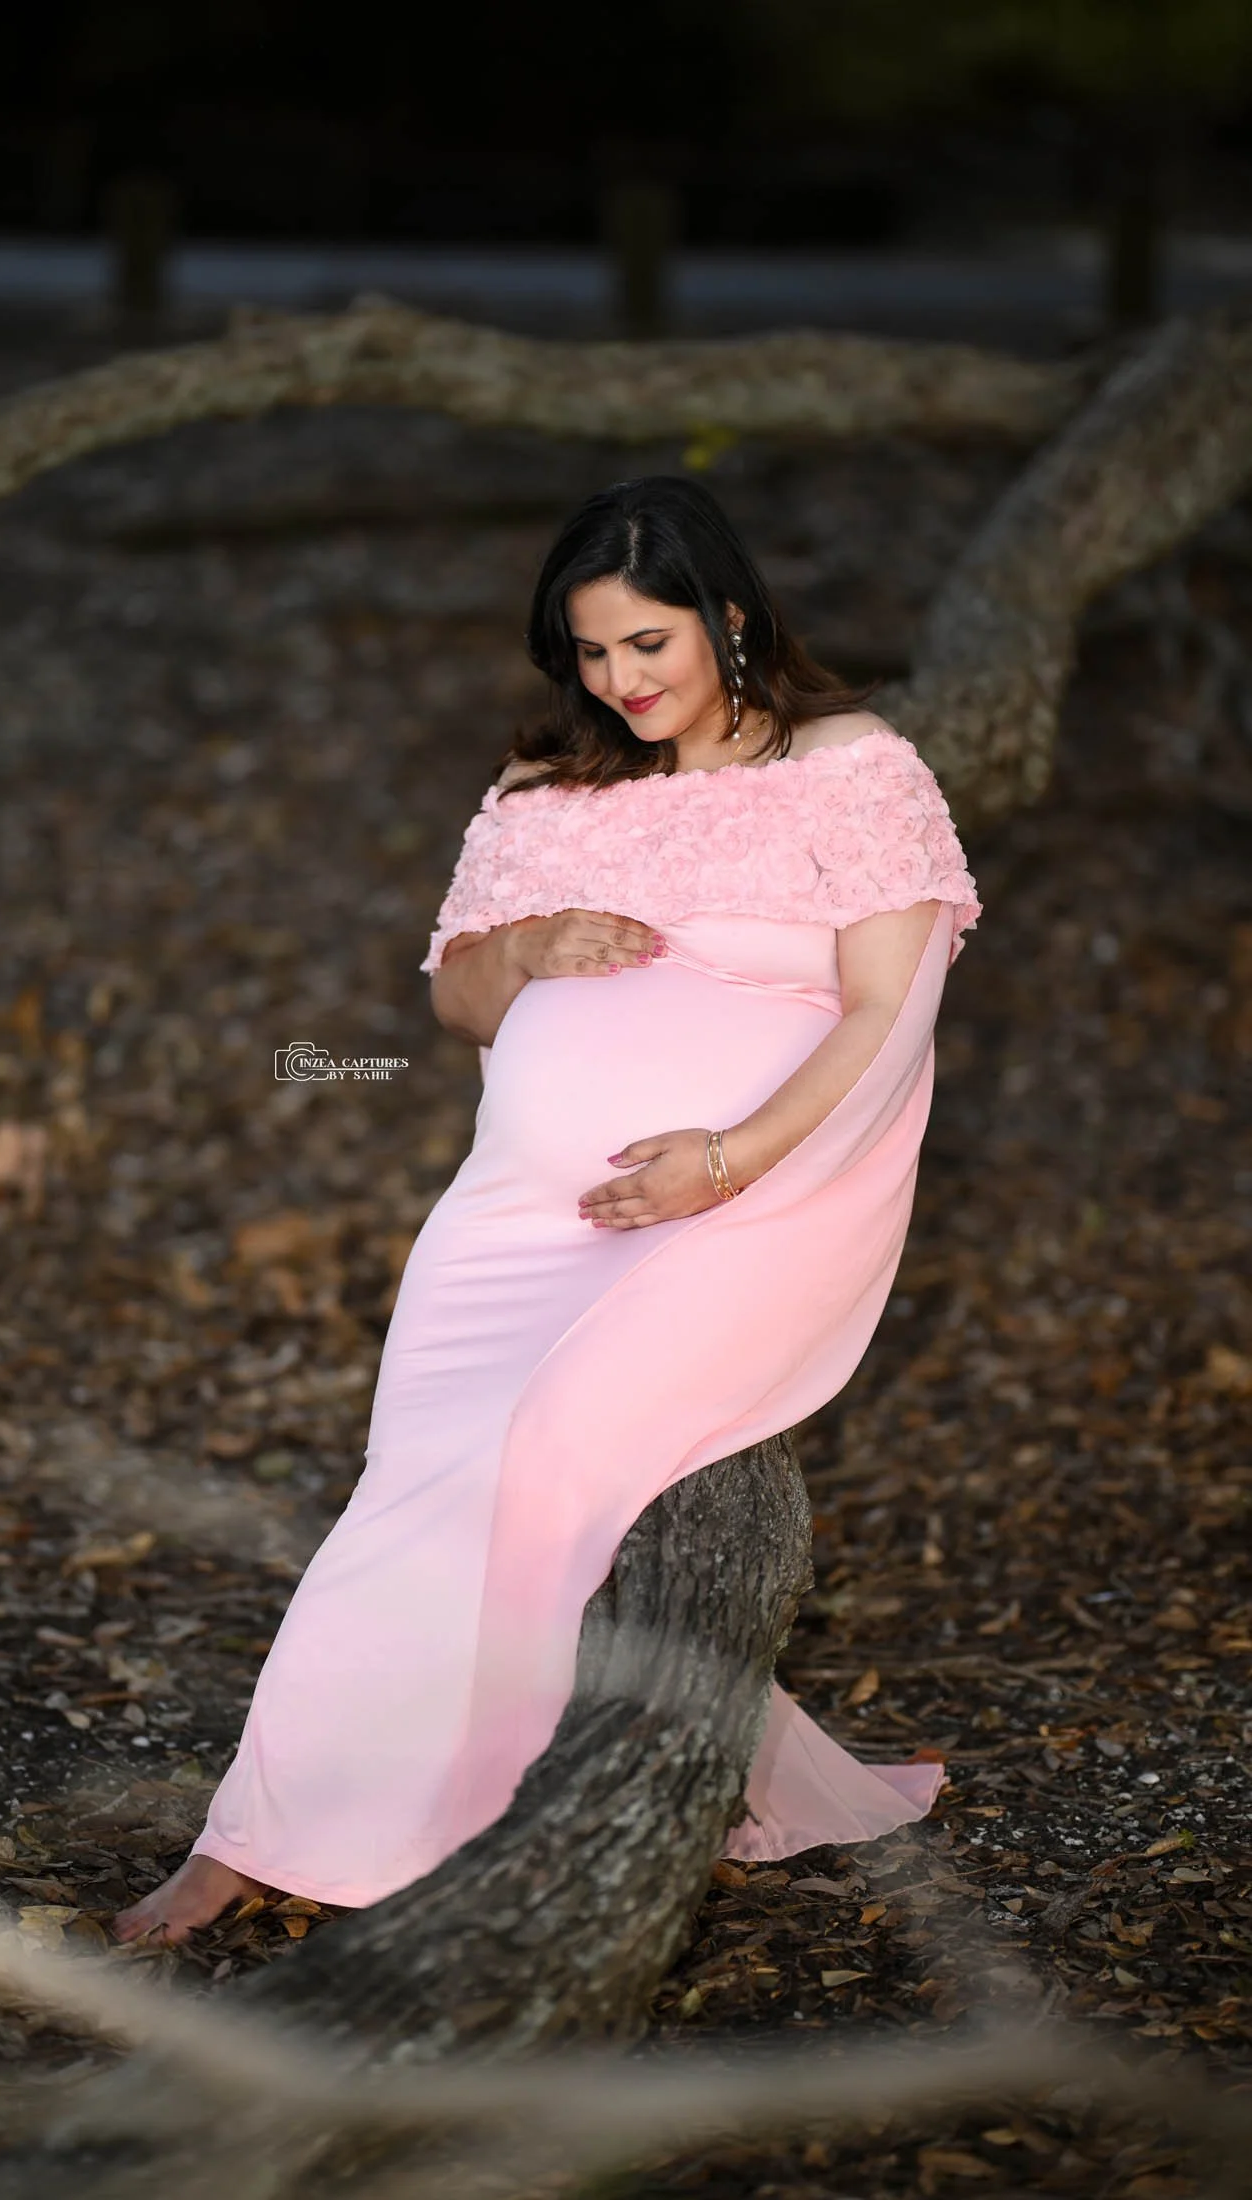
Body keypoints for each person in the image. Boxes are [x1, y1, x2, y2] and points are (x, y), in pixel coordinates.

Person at [114, 474, 982, 1946]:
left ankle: (502, 1827)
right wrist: (528, 941)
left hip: (750, 1199)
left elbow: (886, 1014)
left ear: (728, 617)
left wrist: (728, 1155)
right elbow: (454, 1001)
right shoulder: (541, 790)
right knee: (415, 1485)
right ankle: (259, 1830)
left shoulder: (851, 765)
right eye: (589, 653)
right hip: (517, 1215)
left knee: (554, 1451)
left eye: (648, 644)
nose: (619, 682)